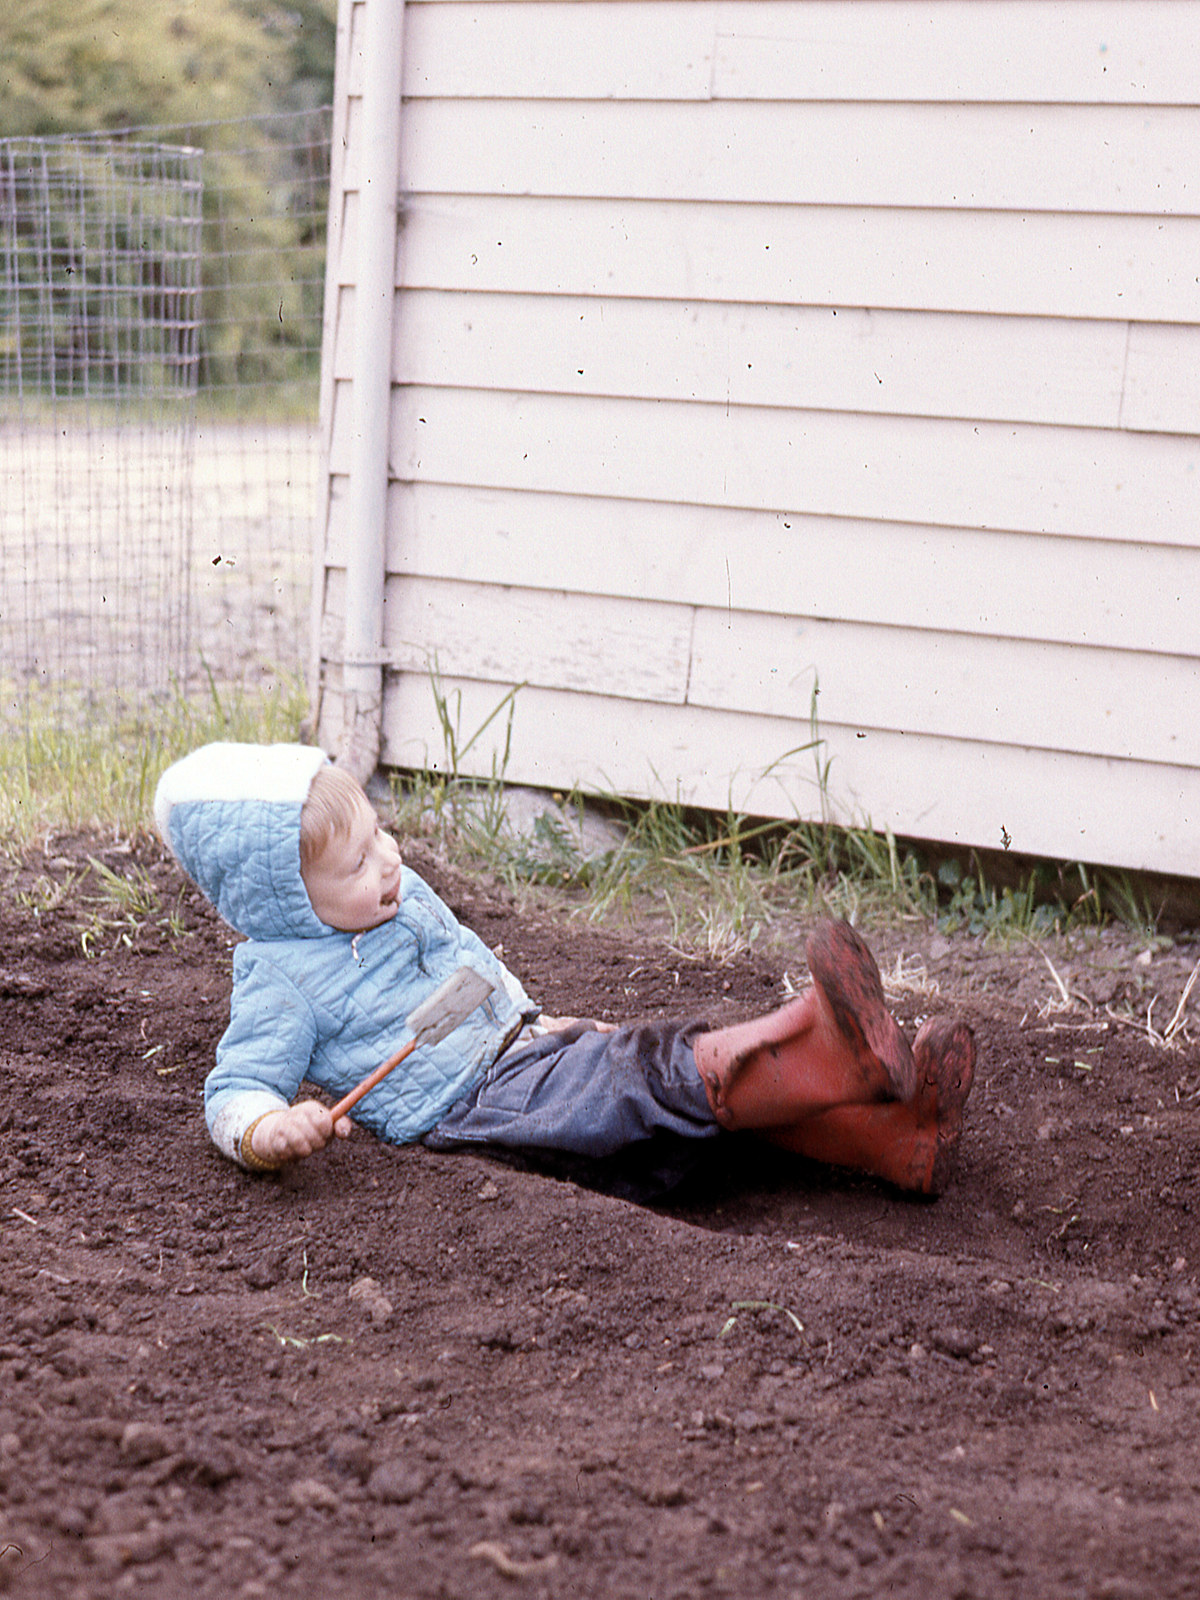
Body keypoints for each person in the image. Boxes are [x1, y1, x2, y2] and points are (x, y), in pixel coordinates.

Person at [154, 742, 975, 1196]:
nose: (390, 862)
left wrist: (534, 1023)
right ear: (284, 900)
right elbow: (235, 1088)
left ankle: (890, 1135)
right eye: (359, 863)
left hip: (518, 1060)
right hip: (466, 1107)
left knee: (676, 1114)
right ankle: (823, 1045)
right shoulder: (281, 981)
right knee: (643, 1077)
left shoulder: (397, 897)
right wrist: (267, 1130)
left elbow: (470, 968)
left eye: (381, 836)